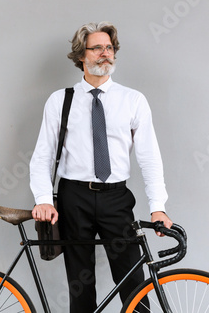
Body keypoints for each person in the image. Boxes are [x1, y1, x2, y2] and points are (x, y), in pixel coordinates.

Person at [29, 21, 172, 313]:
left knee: (134, 282)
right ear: (82, 55)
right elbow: (42, 155)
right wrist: (43, 199)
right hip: (74, 198)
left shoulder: (133, 100)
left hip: (116, 199)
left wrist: (158, 206)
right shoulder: (60, 101)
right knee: (80, 285)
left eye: (109, 48)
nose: (105, 54)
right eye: (97, 48)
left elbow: (149, 157)